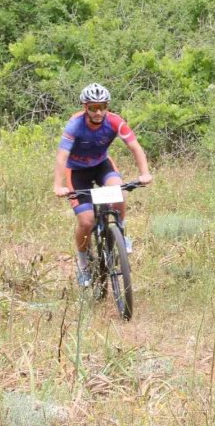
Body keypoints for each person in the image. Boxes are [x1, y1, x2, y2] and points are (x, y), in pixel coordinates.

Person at [53, 83, 153, 287]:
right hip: (76, 171)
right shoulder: (75, 124)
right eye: (93, 107)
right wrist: (58, 185)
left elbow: (135, 147)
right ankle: (82, 265)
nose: (98, 112)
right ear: (85, 107)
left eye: (102, 107)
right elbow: (62, 157)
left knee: (118, 192)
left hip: (101, 165)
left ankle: (121, 234)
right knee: (86, 221)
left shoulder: (115, 121)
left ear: (107, 106)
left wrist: (144, 173)